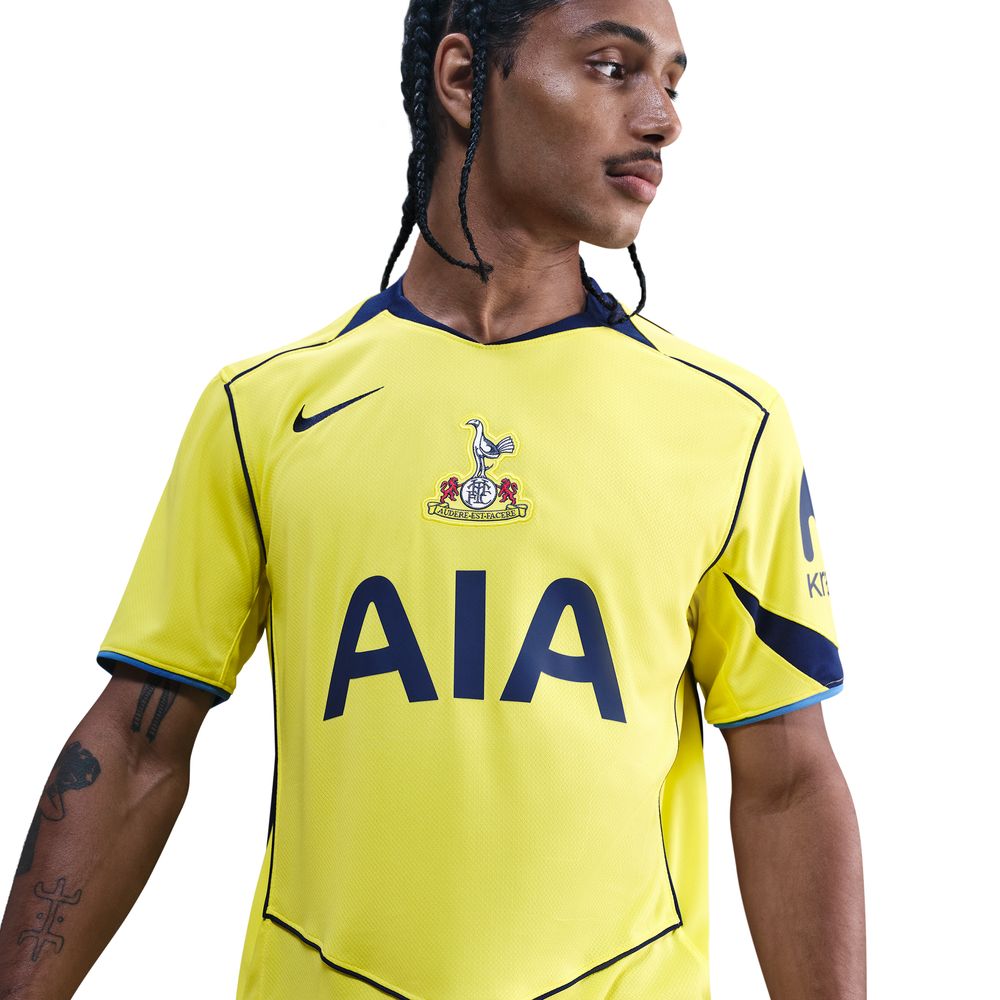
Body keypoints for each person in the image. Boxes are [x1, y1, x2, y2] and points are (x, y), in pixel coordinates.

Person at [0, 1, 866, 997]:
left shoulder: (729, 423)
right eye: (611, 67)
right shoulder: (265, 409)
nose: (662, 119)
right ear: (462, 79)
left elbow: (786, 778)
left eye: (671, 82)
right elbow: (137, 743)